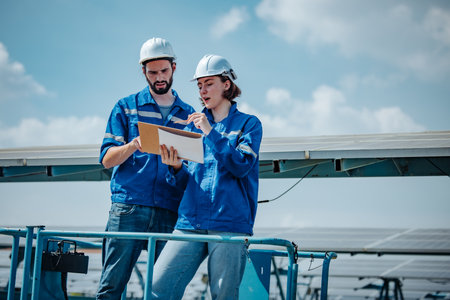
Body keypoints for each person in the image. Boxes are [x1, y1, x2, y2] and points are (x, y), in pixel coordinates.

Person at [152, 54, 263, 299]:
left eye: (209, 83)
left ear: (227, 84)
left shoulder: (249, 125)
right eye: (199, 85)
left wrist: (210, 132)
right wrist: (176, 168)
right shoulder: (192, 128)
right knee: (158, 286)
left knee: (223, 295)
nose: (202, 90)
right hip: (190, 222)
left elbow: (241, 165)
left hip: (229, 224)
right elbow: (187, 182)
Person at [96, 37, 195, 299]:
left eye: (164, 71)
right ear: (143, 71)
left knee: (162, 290)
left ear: (174, 67)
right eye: (153, 72)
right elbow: (107, 159)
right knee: (111, 287)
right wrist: (133, 145)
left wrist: (176, 167)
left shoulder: (190, 114)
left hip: (169, 211)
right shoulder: (126, 107)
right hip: (128, 209)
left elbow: (192, 174)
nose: (159, 77)